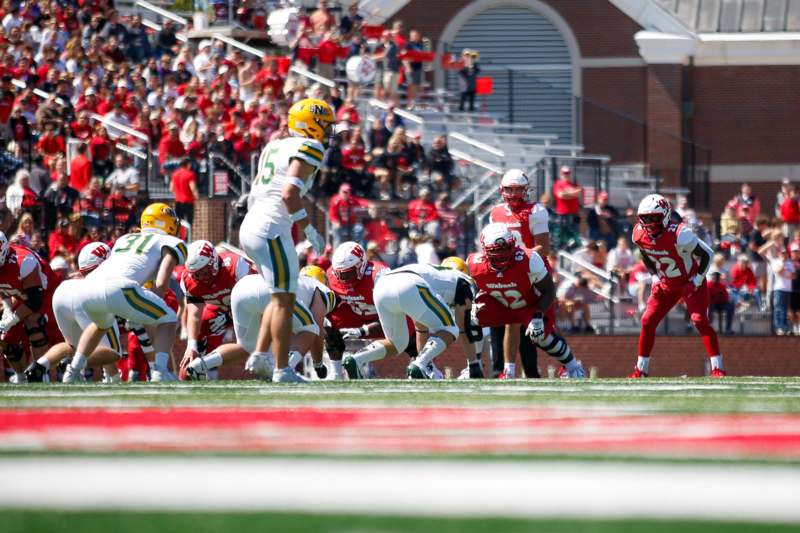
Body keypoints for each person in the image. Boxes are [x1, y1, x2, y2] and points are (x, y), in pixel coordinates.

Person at [238, 98, 333, 383]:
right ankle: (281, 369)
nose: (328, 132)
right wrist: (308, 228)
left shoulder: (275, 145)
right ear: (311, 124)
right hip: (272, 227)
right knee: (285, 299)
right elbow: (289, 194)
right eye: (325, 125)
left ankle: (260, 354)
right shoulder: (310, 147)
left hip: (253, 224)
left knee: (278, 295)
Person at [62, 203, 187, 382]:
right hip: (119, 288)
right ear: (166, 223)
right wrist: (152, 305)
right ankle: (160, 372)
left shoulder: (125, 238)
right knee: (168, 318)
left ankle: (72, 372)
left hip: (87, 287)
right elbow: (162, 278)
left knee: (100, 324)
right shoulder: (172, 242)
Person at [468, 223, 586, 379]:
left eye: (505, 248)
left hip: (527, 304)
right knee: (472, 319)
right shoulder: (474, 264)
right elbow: (474, 289)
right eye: (496, 250)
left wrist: (537, 315)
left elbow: (548, 290)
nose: (502, 254)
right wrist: (475, 305)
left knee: (540, 336)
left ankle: (573, 366)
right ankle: (472, 366)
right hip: (500, 304)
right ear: (484, 250)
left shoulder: (529, 259)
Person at [629, 194, 724, 378]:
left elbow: (708, 254)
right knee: (647, 321)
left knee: (699, 320)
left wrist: (696, 281)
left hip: (689, 282)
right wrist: (655, 278)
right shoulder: (639, 233)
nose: (648, 223)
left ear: (664, 215)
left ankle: (718, 367)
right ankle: (641, 370)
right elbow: (645, 255)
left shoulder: (680, 233)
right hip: (665, 284)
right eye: (644, 218)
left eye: (653, 217)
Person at [185, 267, 335, 380]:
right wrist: (318, 364)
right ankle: (284, 370)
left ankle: (201, 365)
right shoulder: (322, 290)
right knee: (310, 328)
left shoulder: (300, 283)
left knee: (247, 346)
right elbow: (317, 326)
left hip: (241, 288)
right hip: (268, 291)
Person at [343, 262, 472, 380]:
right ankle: (420, 362)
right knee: (450, 329)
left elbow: (421, 327)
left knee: (396, 343)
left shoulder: (437, 276)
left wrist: (428, 366)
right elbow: (464, 325)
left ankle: (356, 358)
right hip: (408, 283)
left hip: (381, 288)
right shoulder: (467, 282)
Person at [24, 242, 120, 383]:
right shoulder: (103, 274)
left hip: (63, 292)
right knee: (112, 351)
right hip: (86, 294)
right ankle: (73, 364)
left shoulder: (78, 272)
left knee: (73, 346)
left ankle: (39, 366)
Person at [488, 169, 550, 378]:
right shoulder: (496, 212)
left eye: (518, 189)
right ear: (502, 190)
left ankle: (531, 370)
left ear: (526, 190)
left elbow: (544, 248)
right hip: (502, 272)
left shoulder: (535, 211)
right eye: (509, 189)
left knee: (528, 324)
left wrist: (519, 263)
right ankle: (500, 371)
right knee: (498, 322)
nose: (514, 193)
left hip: (528, 273)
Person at [178, 241, 255, 377]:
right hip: (223, 308)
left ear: (214, 262)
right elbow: (194, 314)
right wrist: (191, 346)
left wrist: (230, 316)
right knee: (201, 326)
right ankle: (195, 371)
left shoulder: (235, 266)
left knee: (251, 345)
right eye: (197, 275)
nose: (201, 278)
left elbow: (253, 299)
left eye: (205, 273)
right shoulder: (188, 280)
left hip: (250, 308)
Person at [0, 232, 64, 383]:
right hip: (22, 295)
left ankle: (42, 375)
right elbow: (5, 289)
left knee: (34, 323)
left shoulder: (23, 261)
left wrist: (12, 320)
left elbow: (35, 301)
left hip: (47, 294)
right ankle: (21, 377)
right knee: (6, 338)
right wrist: (7, 310)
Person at [325, 241, 392, 379]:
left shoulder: (379, 275)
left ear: (361, 265)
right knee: (328, 322)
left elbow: (393, 311)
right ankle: (336, 373)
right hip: (356, 314)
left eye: (349, 273)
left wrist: (363, 330)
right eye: (340, 275)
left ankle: (422, 365)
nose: (344, 279)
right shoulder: (331, 276)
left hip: (381, 316)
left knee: (409, 328)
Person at [329, 183, 368, 248]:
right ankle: (337, 251)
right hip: (339, 225)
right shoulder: (335, 201)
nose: (346, 193)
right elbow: (332, 215)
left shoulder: (351, 200)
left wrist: (369, 205)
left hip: (350, 225)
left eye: (347, 192)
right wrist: (336, 221)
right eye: (344, 192)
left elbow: (361, 202)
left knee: (360, 229)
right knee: (336, 230)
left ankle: (354, 247)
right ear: (340, 192)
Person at [552, 166, 582, 244]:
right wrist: (573, 193)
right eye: (564, 173)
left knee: (574, 236)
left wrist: (567, 193)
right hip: (563, 215)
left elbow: (579, 193)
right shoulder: (558, 184)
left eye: (568, 173)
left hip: (574, 214)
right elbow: (561, 195)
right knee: (562, 236)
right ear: (561, 174)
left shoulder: (574, 184)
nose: (566, 175)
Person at [769, 246, 795, 336]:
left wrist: (786, 273)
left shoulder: (790, 263)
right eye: (782, 253)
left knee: (786, 309)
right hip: (779, 289)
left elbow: (793, 276)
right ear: (778, 253)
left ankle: (785, 327)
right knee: (779, 309)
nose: (784, 255)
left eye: (785, 253)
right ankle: (778, 327)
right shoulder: (775, 262)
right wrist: (783, 265)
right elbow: (778, 272)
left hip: (788, 289)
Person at [170, 158, 198, 226]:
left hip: (178, 201)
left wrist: (177, 194)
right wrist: (196, 196)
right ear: (188, 164)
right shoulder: (190, 174)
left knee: (178, 222)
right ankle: (188, 236)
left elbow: (171, 188)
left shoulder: (175, 174)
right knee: (189, 223)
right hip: (188, 201)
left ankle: (178, 236)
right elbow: (193, 188)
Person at [707, 270, 734, 335]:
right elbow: (707, 298)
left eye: (717, 278)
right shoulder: (708, 285)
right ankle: (709, 329)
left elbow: (726, 297)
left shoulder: (721, 285)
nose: (716, 279)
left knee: (731, 306)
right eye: (714, 277)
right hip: (711, 304)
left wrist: (720, 297)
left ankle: (728, 328)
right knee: (710, 308)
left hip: (720, 303)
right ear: (712, 278)